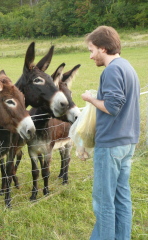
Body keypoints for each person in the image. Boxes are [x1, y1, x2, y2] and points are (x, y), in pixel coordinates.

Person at [81, 26, 140, 240]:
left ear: (103, 48)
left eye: (92, 50)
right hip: (127, 142)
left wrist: (90, 99)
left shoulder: (113, 70)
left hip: (112, 144)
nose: (90, 56)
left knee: (104, 201)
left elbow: (113, 106)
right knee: (121, 197)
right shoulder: (128, 67)